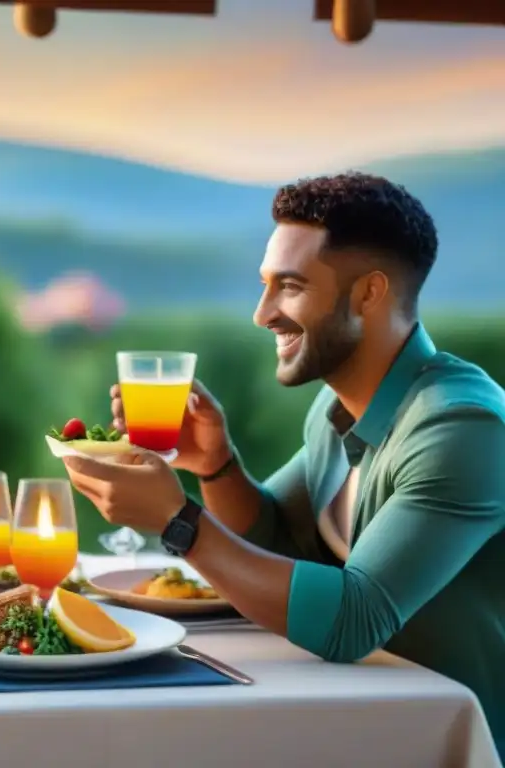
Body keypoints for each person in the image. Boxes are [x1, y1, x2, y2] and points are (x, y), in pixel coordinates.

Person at [64, 173, 505, 757]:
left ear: (368, 294)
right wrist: (217, 466)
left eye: (289, 287)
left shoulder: (462, 427)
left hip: (440, 738)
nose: (262, 313)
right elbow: (271, 537)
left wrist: (178, 521)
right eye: (265, 285)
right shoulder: (336, 408)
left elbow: (353, 617)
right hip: (353, 715)